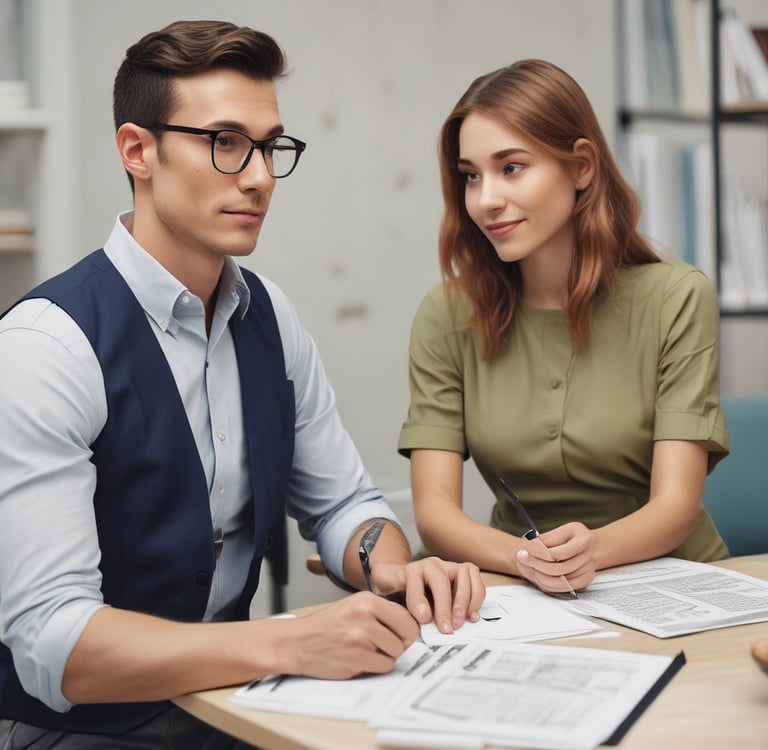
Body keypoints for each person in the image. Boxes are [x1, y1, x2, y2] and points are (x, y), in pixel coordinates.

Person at [0, 20, 485, 749]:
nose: (259, 176)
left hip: (233, 706)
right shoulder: (47, 347)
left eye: (270, 147)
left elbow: (347, 505)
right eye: (225, 143)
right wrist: (292, 644)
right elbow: (56, 646)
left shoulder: (268, 316)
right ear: (138, 151)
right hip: (84, 730)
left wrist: (393, 572)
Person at [397, 59, 730, 597]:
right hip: (516, 586)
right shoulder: (447, 316)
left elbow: (675, 508)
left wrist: (589, 553)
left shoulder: (677, 298)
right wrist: (524, 558)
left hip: (671, 581)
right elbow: (435, 513)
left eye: (511, 167)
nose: (486, 199)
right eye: (471, 175)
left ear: (581, 167)